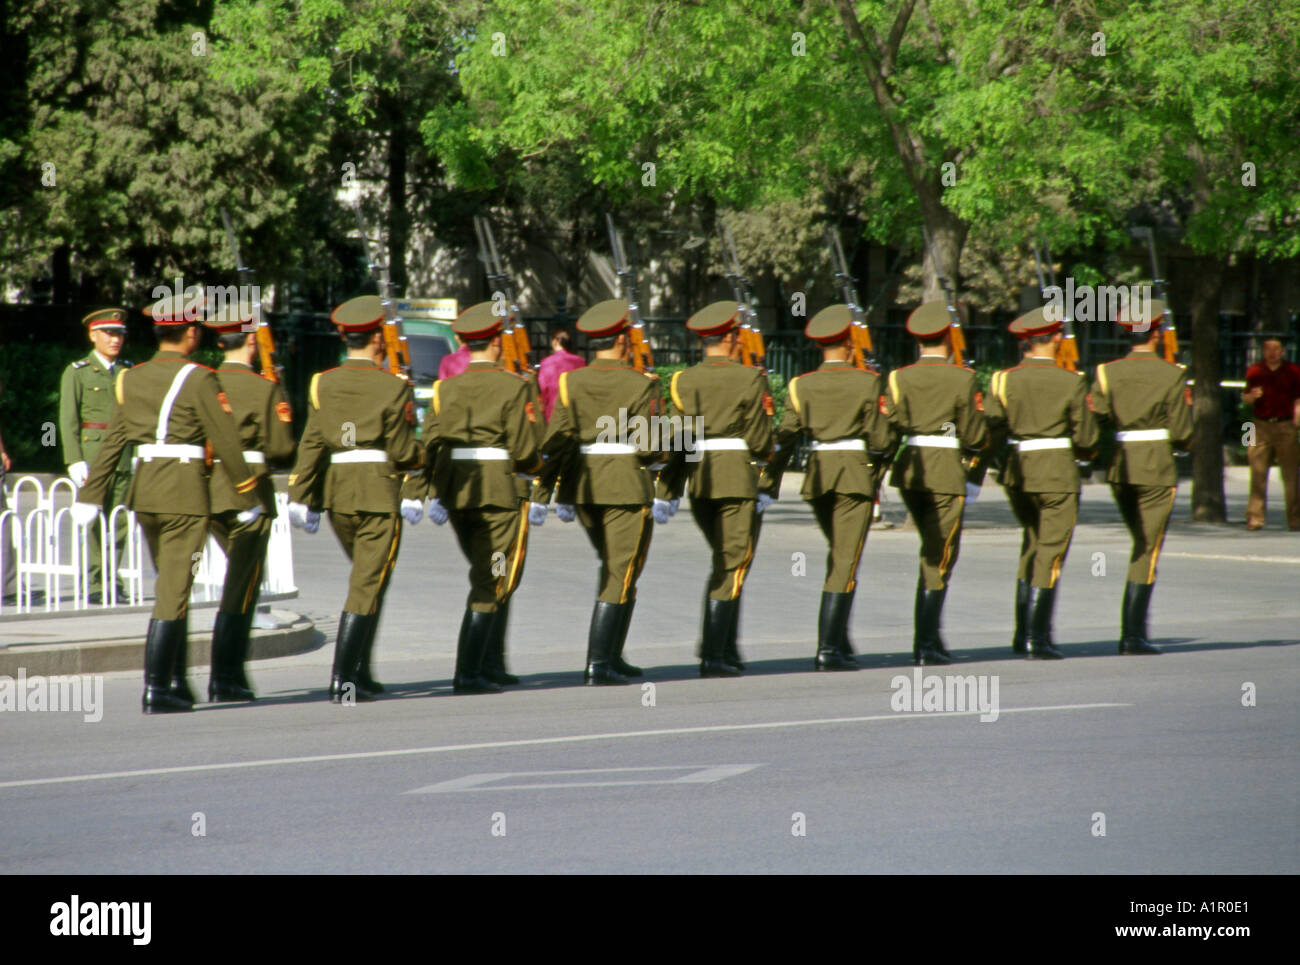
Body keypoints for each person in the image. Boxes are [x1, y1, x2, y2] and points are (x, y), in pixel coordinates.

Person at [73, 296, 260, 713]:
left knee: (170, 586)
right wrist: (247, 494)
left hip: (146, 493)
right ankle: (157, 687)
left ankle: (176, 681)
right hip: (183, 494)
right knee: (175, 590)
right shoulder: (200, 378)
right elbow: (226, 441)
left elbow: (114, 440)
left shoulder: (133, 377)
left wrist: (91, 494)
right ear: (190, 333)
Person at [287, 295, 424, 702]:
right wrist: (425, 455)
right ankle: (344, 680)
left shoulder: (322, 382)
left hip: (338, 496)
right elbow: (402, 452)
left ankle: (362, 672)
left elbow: (311, 443)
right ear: (379, 339)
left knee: (369, 579)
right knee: (367, 583)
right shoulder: (391, 386)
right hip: (377, 495)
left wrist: (301, 494)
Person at [403, 301, 543, 694]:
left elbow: (428, 442)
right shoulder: (512, 386)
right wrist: (538, 469)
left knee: (490, 574)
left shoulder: (446, 388)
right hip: (499, 495)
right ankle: (468, 673)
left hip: (458, 494)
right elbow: (523, 446)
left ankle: (489, 664)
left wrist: (423, 491)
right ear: (497, 343)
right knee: (492, 578)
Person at [530, 300, 664, 684]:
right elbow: (649, 446)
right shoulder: (641, 383)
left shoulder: (572, 382)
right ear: (623, 339)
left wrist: (544, 494)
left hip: (585, 488)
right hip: (624, 487)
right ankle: (598, 664)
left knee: (614, 568)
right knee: (622, 571)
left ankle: (613, 656)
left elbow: (557, 441)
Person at [759, 304, 893, 671]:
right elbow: (880, 440)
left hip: (817, 480)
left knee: (840, 556)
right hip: (852, 477)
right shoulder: (867, 382)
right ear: (850, 343)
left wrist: (768, 484)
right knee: (845, 561)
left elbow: (784, 439)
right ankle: (829, 650)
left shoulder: (801, 385)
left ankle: (841, 640)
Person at [656, 300, 774, 678]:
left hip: (701, 481)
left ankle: (724, 646)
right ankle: (713, 653)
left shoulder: (683, 380)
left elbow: (679, 441)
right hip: (737, 479)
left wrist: (668, 489)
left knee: (725, 560)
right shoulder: (750, 378)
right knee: (734, 562)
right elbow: (759, 440)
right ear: (731, 337)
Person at [983, 308, 1098, 659]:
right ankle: (1036, 637)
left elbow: (992, 424)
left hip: (1018, 472)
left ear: (1026, 343)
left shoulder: (1003, 379)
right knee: (1050, 552)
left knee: (1031, 545)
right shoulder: (1072, 380)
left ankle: (1022, 633)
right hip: (1056, 474)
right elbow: (1087, 437)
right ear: (1057, 340)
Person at [882, 302, 988, 666]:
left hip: (911, 470)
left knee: (931, 550)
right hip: (944, 471)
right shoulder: (963, 377)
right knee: (940, 556)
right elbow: (974, 434)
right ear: (948, 335)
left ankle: (931, 639)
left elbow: (891, 425)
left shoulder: (899, 377)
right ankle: (926, 644)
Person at [1088, 299, 1193, 655]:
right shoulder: (1172, 373)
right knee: (1147, 549)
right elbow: (1181, 433)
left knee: (1140, 544)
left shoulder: (1105, 372)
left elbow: (1098, 416)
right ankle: (1132, 634)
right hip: (1155, 468)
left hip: (1121, 466)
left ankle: (1134, 631)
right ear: (1159, 331)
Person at [202, 310, 296, 701]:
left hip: (210, 492)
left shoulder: (203, 383)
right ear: (251, 343)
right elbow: (282, 448)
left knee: (239, 582)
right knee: (242, 586)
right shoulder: (263, 388)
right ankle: (225, 677)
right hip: (250, 493)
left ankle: (231, 676)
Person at [60, 308, 135, 603]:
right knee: (93, 520)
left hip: (124, 456)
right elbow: (65, 420)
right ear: (93, 335)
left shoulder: (128, 371)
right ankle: (95, 582)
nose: (116, 340)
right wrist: (73, 458)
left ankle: (111, 579)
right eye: (109, 333)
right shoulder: (77, 371)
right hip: (92, 455)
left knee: (118, 521)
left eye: (120, 334)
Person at [1242, 338, 1300, 531]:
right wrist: (1252, 396)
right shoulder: (1255, 370)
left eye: (1276, 348)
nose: (1272, 352)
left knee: (1291, 475)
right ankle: (1255, 517)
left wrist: (1297, 420)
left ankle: (1295, 519)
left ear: (1282, 351)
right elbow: (1245, 398)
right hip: (1258, 426)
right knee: (1257, 472)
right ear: (1263, 351)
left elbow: (1298, 399)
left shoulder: (1293, 371)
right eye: (1268, 348)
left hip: (1285, 425)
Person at [537, 326, 586, 420]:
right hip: (575, 412)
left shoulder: (546, 362)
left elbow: (543, 388)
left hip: (552, 412)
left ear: (555, 342)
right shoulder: (580, 361)